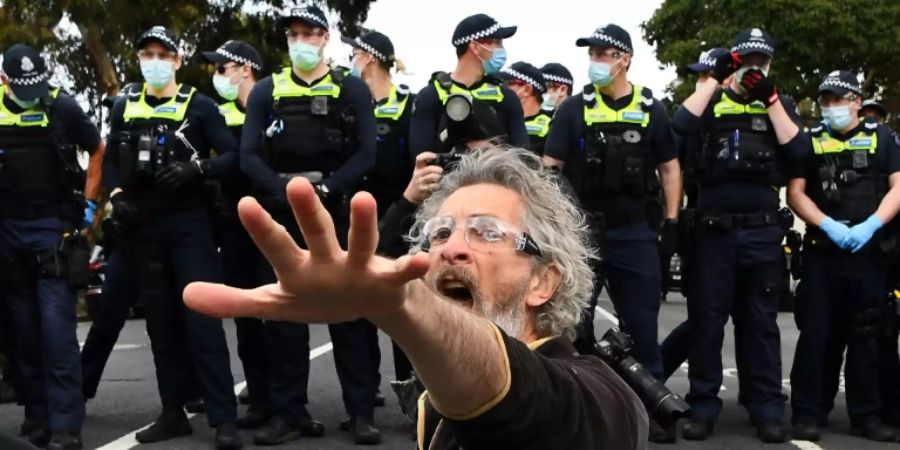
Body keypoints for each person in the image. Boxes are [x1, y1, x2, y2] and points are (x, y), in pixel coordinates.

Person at [183, 145, 650, 449]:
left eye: (487, 232)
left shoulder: (605, 399)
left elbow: (529, 399)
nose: (451, 247)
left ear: (542, 282)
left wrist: (400, 304)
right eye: (440, 232)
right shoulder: (434, 403)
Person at [238, 6, 381, 445]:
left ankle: (360, 413)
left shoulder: (351, 89)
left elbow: (366, 153)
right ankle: (288, 414)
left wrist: (330, 188)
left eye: (308, 33)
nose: (300, 41)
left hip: (335, 214)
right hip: (283, 218)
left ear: (325, 37)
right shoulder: (267, 91)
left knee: (351, 314)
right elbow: (249, 156)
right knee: (284, 317)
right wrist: (285, 194)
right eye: (292, 33)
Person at [101, 26, 241, 449]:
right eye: (147, 53)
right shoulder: (124, 106)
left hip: (188, 224)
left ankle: (224, 420)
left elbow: (234, 156)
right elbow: (109, 161)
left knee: (203, 322)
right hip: (142, 226)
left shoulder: (198, 107)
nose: (155, 61)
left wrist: (196, 170)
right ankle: (171, 412)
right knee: (160, 324)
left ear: (178, 60)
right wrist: (117, 194)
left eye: (163, 54)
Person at [541, 25, 681, 442]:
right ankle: (574, 408)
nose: (596, 61)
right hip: (583, 233)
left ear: (625, 59)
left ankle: (651, 410)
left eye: (604, 53)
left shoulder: (652, 108)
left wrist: (671, 222)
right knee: (570, 325)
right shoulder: (573, 109)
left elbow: (670, 167)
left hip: (635, 231)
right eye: (593, 53)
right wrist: (559, 227)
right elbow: (550, 167)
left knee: (640, 324)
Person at [671, 28, 809, 442]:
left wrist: (768, 99)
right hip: (713, 233)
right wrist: (715, 77)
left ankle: (767, 409)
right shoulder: (711, 102)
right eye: (745, 60)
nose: (753, 67)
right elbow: (679, 125)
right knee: (707, 323)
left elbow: (800, 152)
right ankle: (703, 406)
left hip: (762, 233)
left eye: (761, 61)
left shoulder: (779, 105)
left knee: (761, 324)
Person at [0, 43, 105, 450]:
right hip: (8, 230)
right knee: (22, 333)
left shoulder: (62, 107)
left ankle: (66, 425)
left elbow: (98, 148)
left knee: (57, 330)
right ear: (6, 80)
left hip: (51, 227)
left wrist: (90, 208)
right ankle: (37, 415)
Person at [787, 70, 900, 442]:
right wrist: (828, 225)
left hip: (868, 250)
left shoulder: (882, 139)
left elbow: (897, 186)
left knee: (867, 334)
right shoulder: (810, 140)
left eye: (838, 99)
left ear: (856, 100)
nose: (831, 107)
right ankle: (808, 411)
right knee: (816, 333)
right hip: (824, 249)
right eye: (825, 100)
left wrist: (870, 225)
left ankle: (865, 415)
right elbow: (796, 193)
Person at [199, 39, 280, 430]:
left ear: (245, 68)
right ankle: (261, 401)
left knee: (281, 316)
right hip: (233, 225)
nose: (218, 75)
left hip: (272, 221)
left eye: (223, 67)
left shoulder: (273, 109)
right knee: (246, 318)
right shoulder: (220, 114)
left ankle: (288, 406)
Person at [343, 29, 417, 394]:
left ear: (369, 57)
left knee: (404, 307)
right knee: (357, 308)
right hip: (358, 216)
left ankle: (410, 388)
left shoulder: (411, 104)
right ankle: (364, 394)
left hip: (402, 217)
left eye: (354, 53)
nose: (351, 61)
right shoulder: (350, 105)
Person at [409, 13, 528, 155]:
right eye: (497, 42)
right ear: (475, 47)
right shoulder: (431, 96)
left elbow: (524, 155)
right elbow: (421, 158)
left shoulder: (506, 97)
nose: (502, 49)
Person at [499, 61, 552, 155]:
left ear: (527, 90)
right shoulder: (500, 119)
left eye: (507, 83)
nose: (500, 87)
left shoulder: (552, 123)